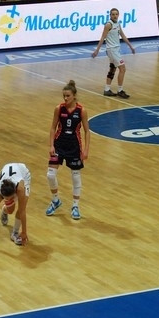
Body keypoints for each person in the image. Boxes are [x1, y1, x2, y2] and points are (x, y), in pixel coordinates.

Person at [45, 80, 91, 220]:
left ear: (74, 96)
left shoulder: (81, 110)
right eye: (64, 96)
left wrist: (86, 150)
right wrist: (51, 145)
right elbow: (53, 127)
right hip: (59, 144)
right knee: (50, 175)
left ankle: (75, 205)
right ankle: (55, 200)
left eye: (68, 96)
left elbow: (87, 131)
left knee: (75, 175)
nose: (65, 98)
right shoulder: (59, 108)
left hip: (74, 146)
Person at [0, 162, 30, 248]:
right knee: (10, 210)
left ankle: (15, 233)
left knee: (22, 206)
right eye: (5, 199)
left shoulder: (20, 189)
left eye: (10, 198)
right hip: (8, 170)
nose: (7, 200)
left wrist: (24, 232)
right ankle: (5, 210)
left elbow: (22, 211)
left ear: (14, 192)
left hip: (24, 174)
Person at [92, 8, 135, 98]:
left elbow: (123, 36)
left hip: (115, 50)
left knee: (113, 69)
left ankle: (107, 89)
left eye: (116, 14)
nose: (115, 16)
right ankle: (120, 90)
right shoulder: (108, 25)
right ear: (110, 15)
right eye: (113, 14)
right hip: (111, 50)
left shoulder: (118, 24)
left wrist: (131, 46)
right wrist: (97, 50)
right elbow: (102, 37)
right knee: (122, 69)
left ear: (118, 15)